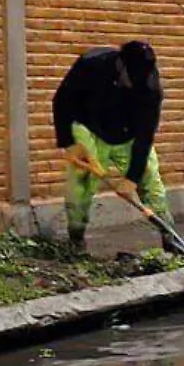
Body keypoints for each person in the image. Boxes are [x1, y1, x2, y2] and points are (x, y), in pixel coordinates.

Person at [52, 41, 166, 251]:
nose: (136, 85)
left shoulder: (151, 87)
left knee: (150, 180)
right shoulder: (91, 64)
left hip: (129, 136)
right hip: (89, 127)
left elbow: (145, 137)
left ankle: (171, 238)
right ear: (120, 64)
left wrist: (131, 179)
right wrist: (69, 144)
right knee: (81, 181)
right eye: (132, 80)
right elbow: (61, 101)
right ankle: (75, 239)